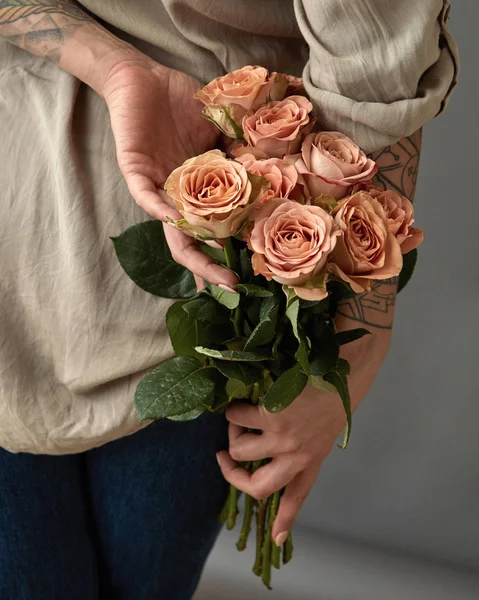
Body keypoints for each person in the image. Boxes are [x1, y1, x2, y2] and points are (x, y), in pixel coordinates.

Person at [0, 1, 458, 598]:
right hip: (25, 207)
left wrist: (357, 333)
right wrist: (118, 70)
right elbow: (380, 73)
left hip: (214, 293)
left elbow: (376, 74)